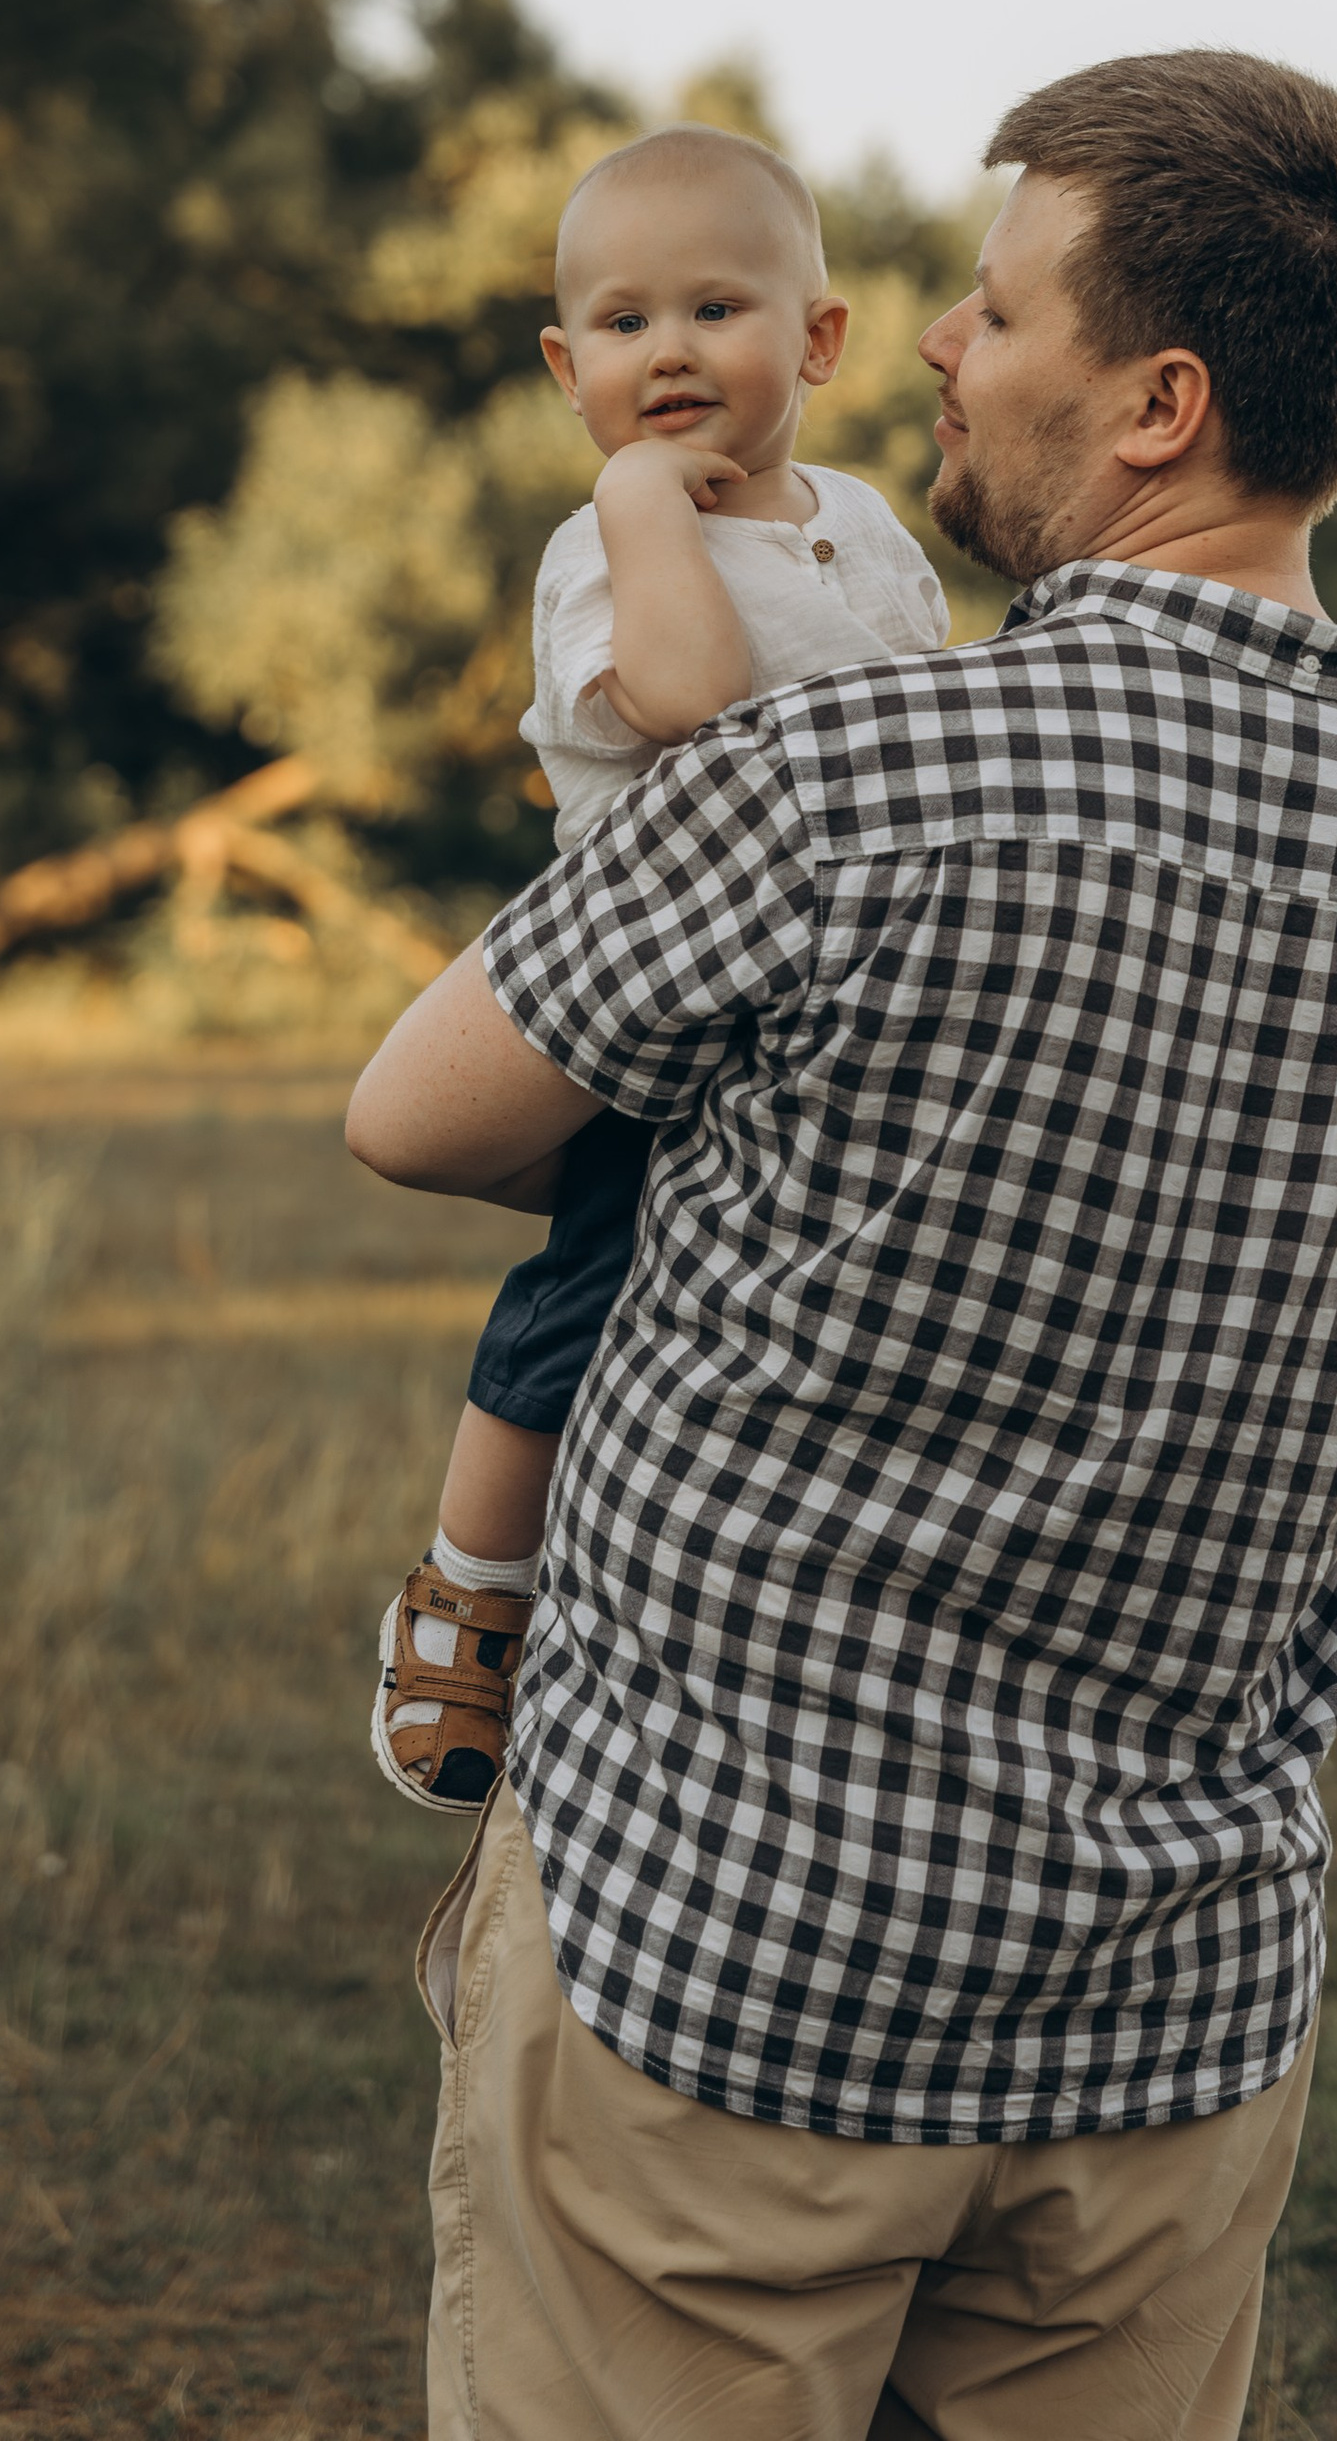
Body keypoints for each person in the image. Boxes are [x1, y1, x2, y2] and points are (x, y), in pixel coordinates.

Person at [349, 49, 1337, 2441]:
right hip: (1164, 2009)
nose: (931, 342)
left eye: (991, 307)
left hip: (720, 1968)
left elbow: (409, 1116)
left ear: (1156, 404)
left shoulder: (843, 782)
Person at [372, 120, 950, 1811]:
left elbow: (923, 705)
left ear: (821, 342)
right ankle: (473, 1584)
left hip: (842, 1001)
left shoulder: (860, 517)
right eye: (623, 326)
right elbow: (692, 696)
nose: (671, 350)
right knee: (592, 1275)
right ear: (569, 369)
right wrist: (642, 509)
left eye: (718, 309)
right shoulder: (595, 552)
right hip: (663, 1006)